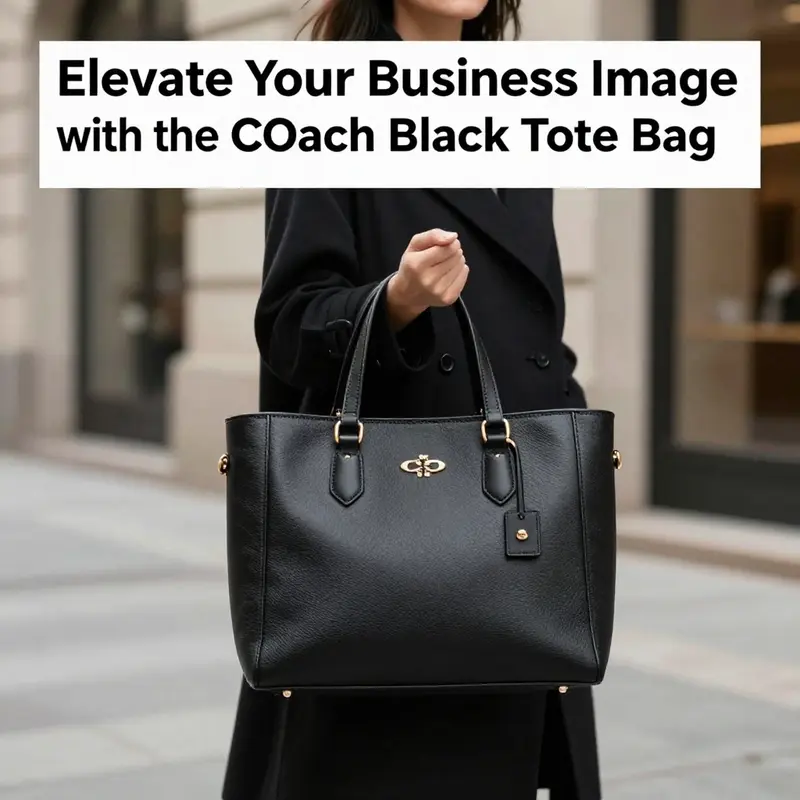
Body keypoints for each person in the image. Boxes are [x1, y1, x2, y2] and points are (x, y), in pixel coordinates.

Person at [222, 1, 602, 798]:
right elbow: (290, 324)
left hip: (519, 522)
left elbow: (531, 319)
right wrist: (394, 299)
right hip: (387, 538)